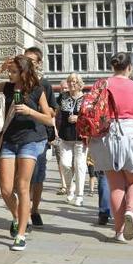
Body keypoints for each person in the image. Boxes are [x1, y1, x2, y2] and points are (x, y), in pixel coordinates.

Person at [0, 55, 54, 251]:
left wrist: (30, 112)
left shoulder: (38, 90)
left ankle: (20, 234)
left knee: (22, 187)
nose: (10, 75)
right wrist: (0, 69)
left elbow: (49, 119)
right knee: (5, 189)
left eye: (13, 72)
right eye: (9, 72)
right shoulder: (8, 87)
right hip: (10, 141)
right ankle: (17, 216)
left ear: (23, 72)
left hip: (30, 140)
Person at [88, 53, 133, 242]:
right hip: (132, 134)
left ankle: (119, 231)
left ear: (113, 67)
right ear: (130, 67)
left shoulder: (101, 84)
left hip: (106, 135)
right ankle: (131, 211)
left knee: (115, 186)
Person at [23, 47, 58, 228]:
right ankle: (24, 212)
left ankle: (34, 209)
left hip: (39, 136)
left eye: (32, 60)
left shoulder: (44, 84)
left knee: (37, 177)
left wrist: (40, 109)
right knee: (23, 179)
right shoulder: (18, 81)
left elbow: (52, 110)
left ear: (38, 63)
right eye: (25, 59)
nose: (28, 63)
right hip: (19, 136)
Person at [57, 73, 87, 206]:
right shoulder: (62, 97)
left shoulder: (86, 99)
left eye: (74, 81)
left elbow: (91, 118)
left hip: (81, 137)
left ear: (80, 83)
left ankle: (79, 195)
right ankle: (71, 188)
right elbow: (55, 113)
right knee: (64, 164)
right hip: (65, 136)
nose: (72, 83)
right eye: (70, 81)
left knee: (80, 165)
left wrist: (78, 118)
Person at [54, 79, 70, 196]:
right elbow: (53, 116)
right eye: (62, 88)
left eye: (66, 88)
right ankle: (64, 184)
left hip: (71, 134)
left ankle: (70, 183)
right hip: (59, 134)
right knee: (60, 160)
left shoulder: (73, 100)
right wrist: (54, 130)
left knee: (70, 162)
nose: (64, 90)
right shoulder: (57, 101)